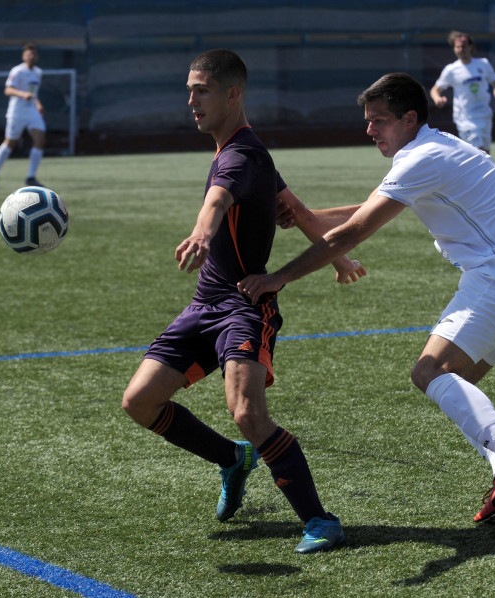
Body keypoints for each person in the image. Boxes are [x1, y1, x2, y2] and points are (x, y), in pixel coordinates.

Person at [239, 72, 495, 524]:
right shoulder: (437, 147)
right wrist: (305, 215)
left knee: (429, 371)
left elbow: (355, 230)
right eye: (368, 121)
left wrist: (280, 277)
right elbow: (372, 207)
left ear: (410, 119)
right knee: (459, 383)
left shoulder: (420, 158)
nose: (370, 130)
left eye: (380, 121)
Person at [121, 49, 365, 554]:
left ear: (233, 94)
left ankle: (320, 521)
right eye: (188, 89)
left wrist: (200, 232)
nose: (191, 100)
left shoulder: (239, 156)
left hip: (245, 306)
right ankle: (231, 459)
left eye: (201, 90)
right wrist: (341, 257)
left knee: (248, 412)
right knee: (140, 401)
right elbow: (295, 211)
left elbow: (216, 201)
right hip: (205, 302)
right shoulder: (247, 152)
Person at [429, 31, 495, 153]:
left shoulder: (483, 64)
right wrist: (438, 98)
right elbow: (435, 90)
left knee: (486, 154)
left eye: (463, 46)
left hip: (485, 116)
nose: (460, 50)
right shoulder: (451, 70)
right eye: (457, 47)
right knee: (478, 151)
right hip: (465, 118)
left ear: (470, 47)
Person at [0, 43, 46, 189]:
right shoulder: (17, 71)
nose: (31, 56)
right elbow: (8, 90)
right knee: (10, 143)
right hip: (17, 112)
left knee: (40, 140)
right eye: (29, 54)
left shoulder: (38, 72)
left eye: (34, 54)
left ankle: (31, 177)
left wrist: (37, 103)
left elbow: (34, 92)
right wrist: (22, 94)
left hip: (32, 111)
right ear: (23, 56)